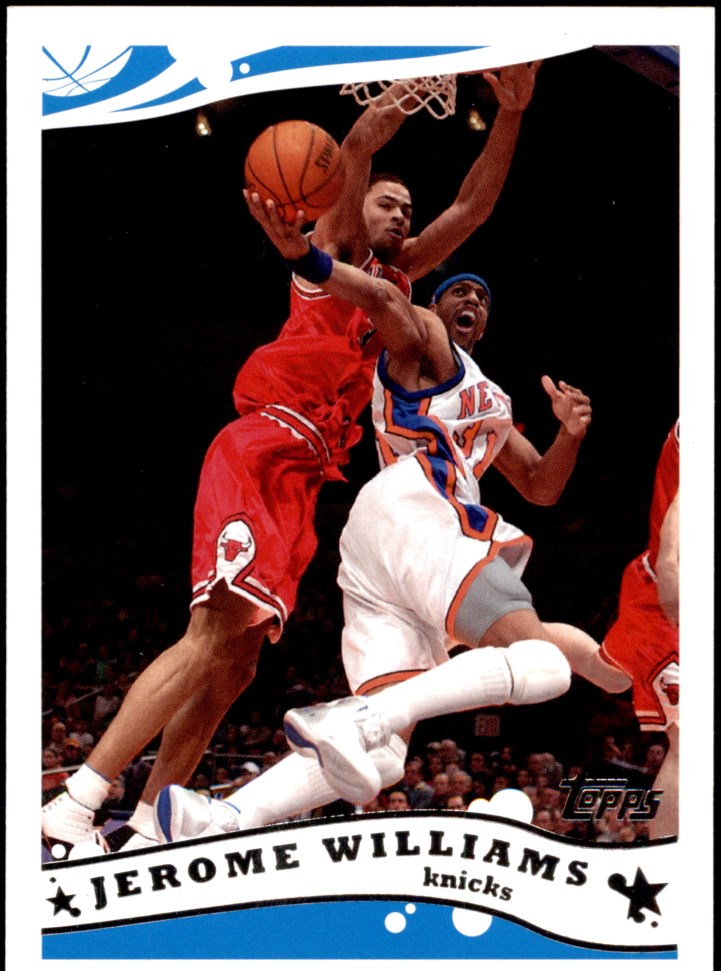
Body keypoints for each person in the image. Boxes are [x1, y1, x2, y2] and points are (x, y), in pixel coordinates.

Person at [43, 64, 541, 856]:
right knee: (210, 637)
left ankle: (145, 824)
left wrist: (510, 112)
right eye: (387, 201)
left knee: (236, 665)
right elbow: (358, 143)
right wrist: (413, 82)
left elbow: (472, 208)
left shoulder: (396, 283)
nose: (400, 211)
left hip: (307, 475)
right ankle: (75, 802)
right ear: (352, 204)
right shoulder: (332, 255)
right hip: (266, 441)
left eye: (406, 209)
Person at [154, 202, 629, 840]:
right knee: (538, 662)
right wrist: (307, 259)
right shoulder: (424, 339)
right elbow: (384, 294)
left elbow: (541, 486)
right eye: (460, 290)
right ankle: (356, 719)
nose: (472, 300)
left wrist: (569, 434)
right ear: (435, 304)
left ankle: (219, 816)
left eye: (482, 297)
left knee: (382, 758)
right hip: (420, 504)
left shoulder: (490, 397)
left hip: (383, 543)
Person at [599, 421, 680, 838]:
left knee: (607, 672)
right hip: (669, 600)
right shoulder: (701, 430)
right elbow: (672, 555)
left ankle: (516, 635)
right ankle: (671, 863)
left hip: (664, 594)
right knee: (690, 742)